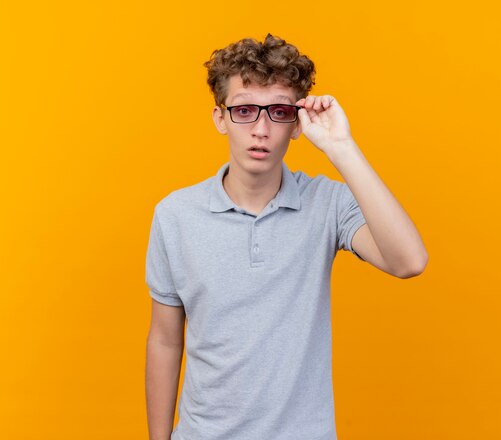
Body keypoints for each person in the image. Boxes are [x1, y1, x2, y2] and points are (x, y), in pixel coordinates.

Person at [145, 33, 428, 440]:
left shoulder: (327, 203)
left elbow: (409, 262)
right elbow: (165, 340)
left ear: (296, 125)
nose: (261, 129)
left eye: (278, 112)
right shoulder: (175, 214)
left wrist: (340, 146)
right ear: (220, 117)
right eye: (244, 110)